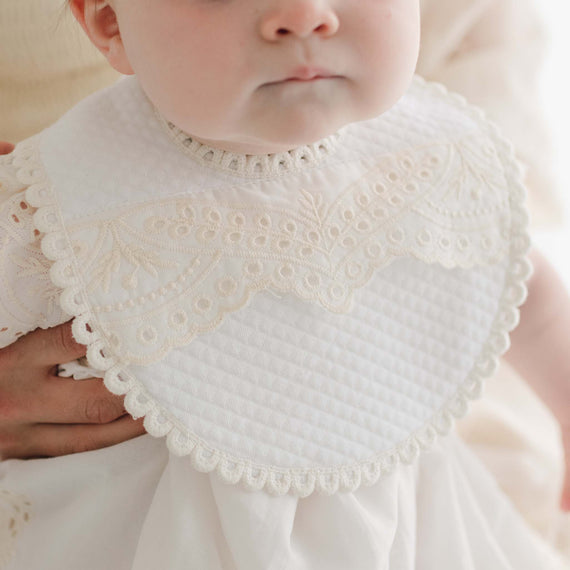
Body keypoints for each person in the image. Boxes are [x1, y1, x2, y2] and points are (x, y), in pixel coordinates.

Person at [1, 1, 569, 569]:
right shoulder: (63, 211)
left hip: (408, 531)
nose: (303, 15)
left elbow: (526, 293)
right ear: (110, 23)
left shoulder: (425, 158)